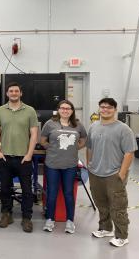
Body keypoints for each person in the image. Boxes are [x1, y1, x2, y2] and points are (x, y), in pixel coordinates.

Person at [86, 98, 137, 247]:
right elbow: (89, 147)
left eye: (109, 107)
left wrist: (121, 173)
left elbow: (129, 153)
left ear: (115, 109)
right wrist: (90, 164)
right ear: (99, 109)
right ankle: (105, 228)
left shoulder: (123, 129)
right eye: (102, 107)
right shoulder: (93, 126)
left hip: (114, 174)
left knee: (117, 206)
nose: (105, 110)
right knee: (101, 203)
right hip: (95, 173)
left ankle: (122, 236)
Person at [0, 81, 38, 233]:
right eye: (11, 91)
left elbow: (34, 134)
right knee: (5, 189)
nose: (13, 93)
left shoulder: (30, 110)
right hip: (5, 157)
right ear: (7, 94)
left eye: (16, 91)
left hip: (23, 158)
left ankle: (26, 218)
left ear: (20, 93)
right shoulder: (0, 110)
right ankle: (7, 214)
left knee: (26, 190)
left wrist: (29, 154)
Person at [40, 100, 87, 234]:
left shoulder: (78, 125)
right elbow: (42, 140)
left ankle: (70, 221)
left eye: (68, 108)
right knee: (52, 193)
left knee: (68, 193)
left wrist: (75, 147)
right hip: (52, 164)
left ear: (72, 111)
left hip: (70, 165)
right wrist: (52, 148)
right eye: (63, 108)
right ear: (58, 110)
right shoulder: (50, 124)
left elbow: (83, 139)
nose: (65, 110)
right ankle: (50, 219)